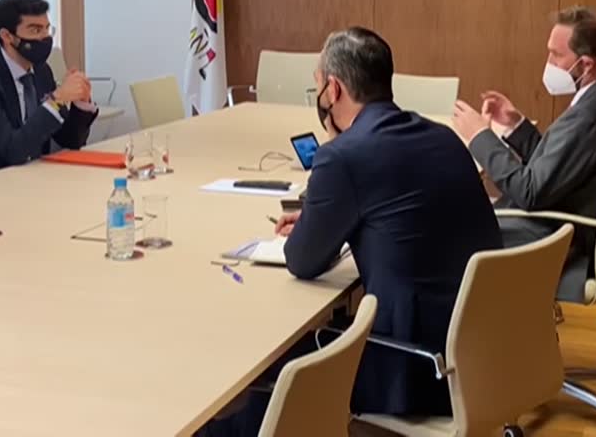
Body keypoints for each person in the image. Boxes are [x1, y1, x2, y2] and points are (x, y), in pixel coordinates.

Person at [199, 28, 501, 436]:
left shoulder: (343, 156)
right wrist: (329, 211)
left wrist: (331, 170)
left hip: (414, 369)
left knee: (270, 371)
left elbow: (303, 260)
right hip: (479, 356)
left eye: (317, 86)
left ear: (334, 89)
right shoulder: (442, 137)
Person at [450, 6, 596, 302]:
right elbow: (562, 168)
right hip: (560, 221)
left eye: (556, 55)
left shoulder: (589, 118)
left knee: (445, 230)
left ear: (586, 65)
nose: (548, 63)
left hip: (552, 235)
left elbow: (530, 191)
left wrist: (479, 137)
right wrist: (516, 126)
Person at [0, 0, 98, 179]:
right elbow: (14, 150)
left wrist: (81, 102)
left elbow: (69, 140)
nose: (44, 37)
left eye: (47, 29)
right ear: (7, 36)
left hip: (29, 178)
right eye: (35, 30)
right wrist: (57, 99)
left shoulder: (41, 72)